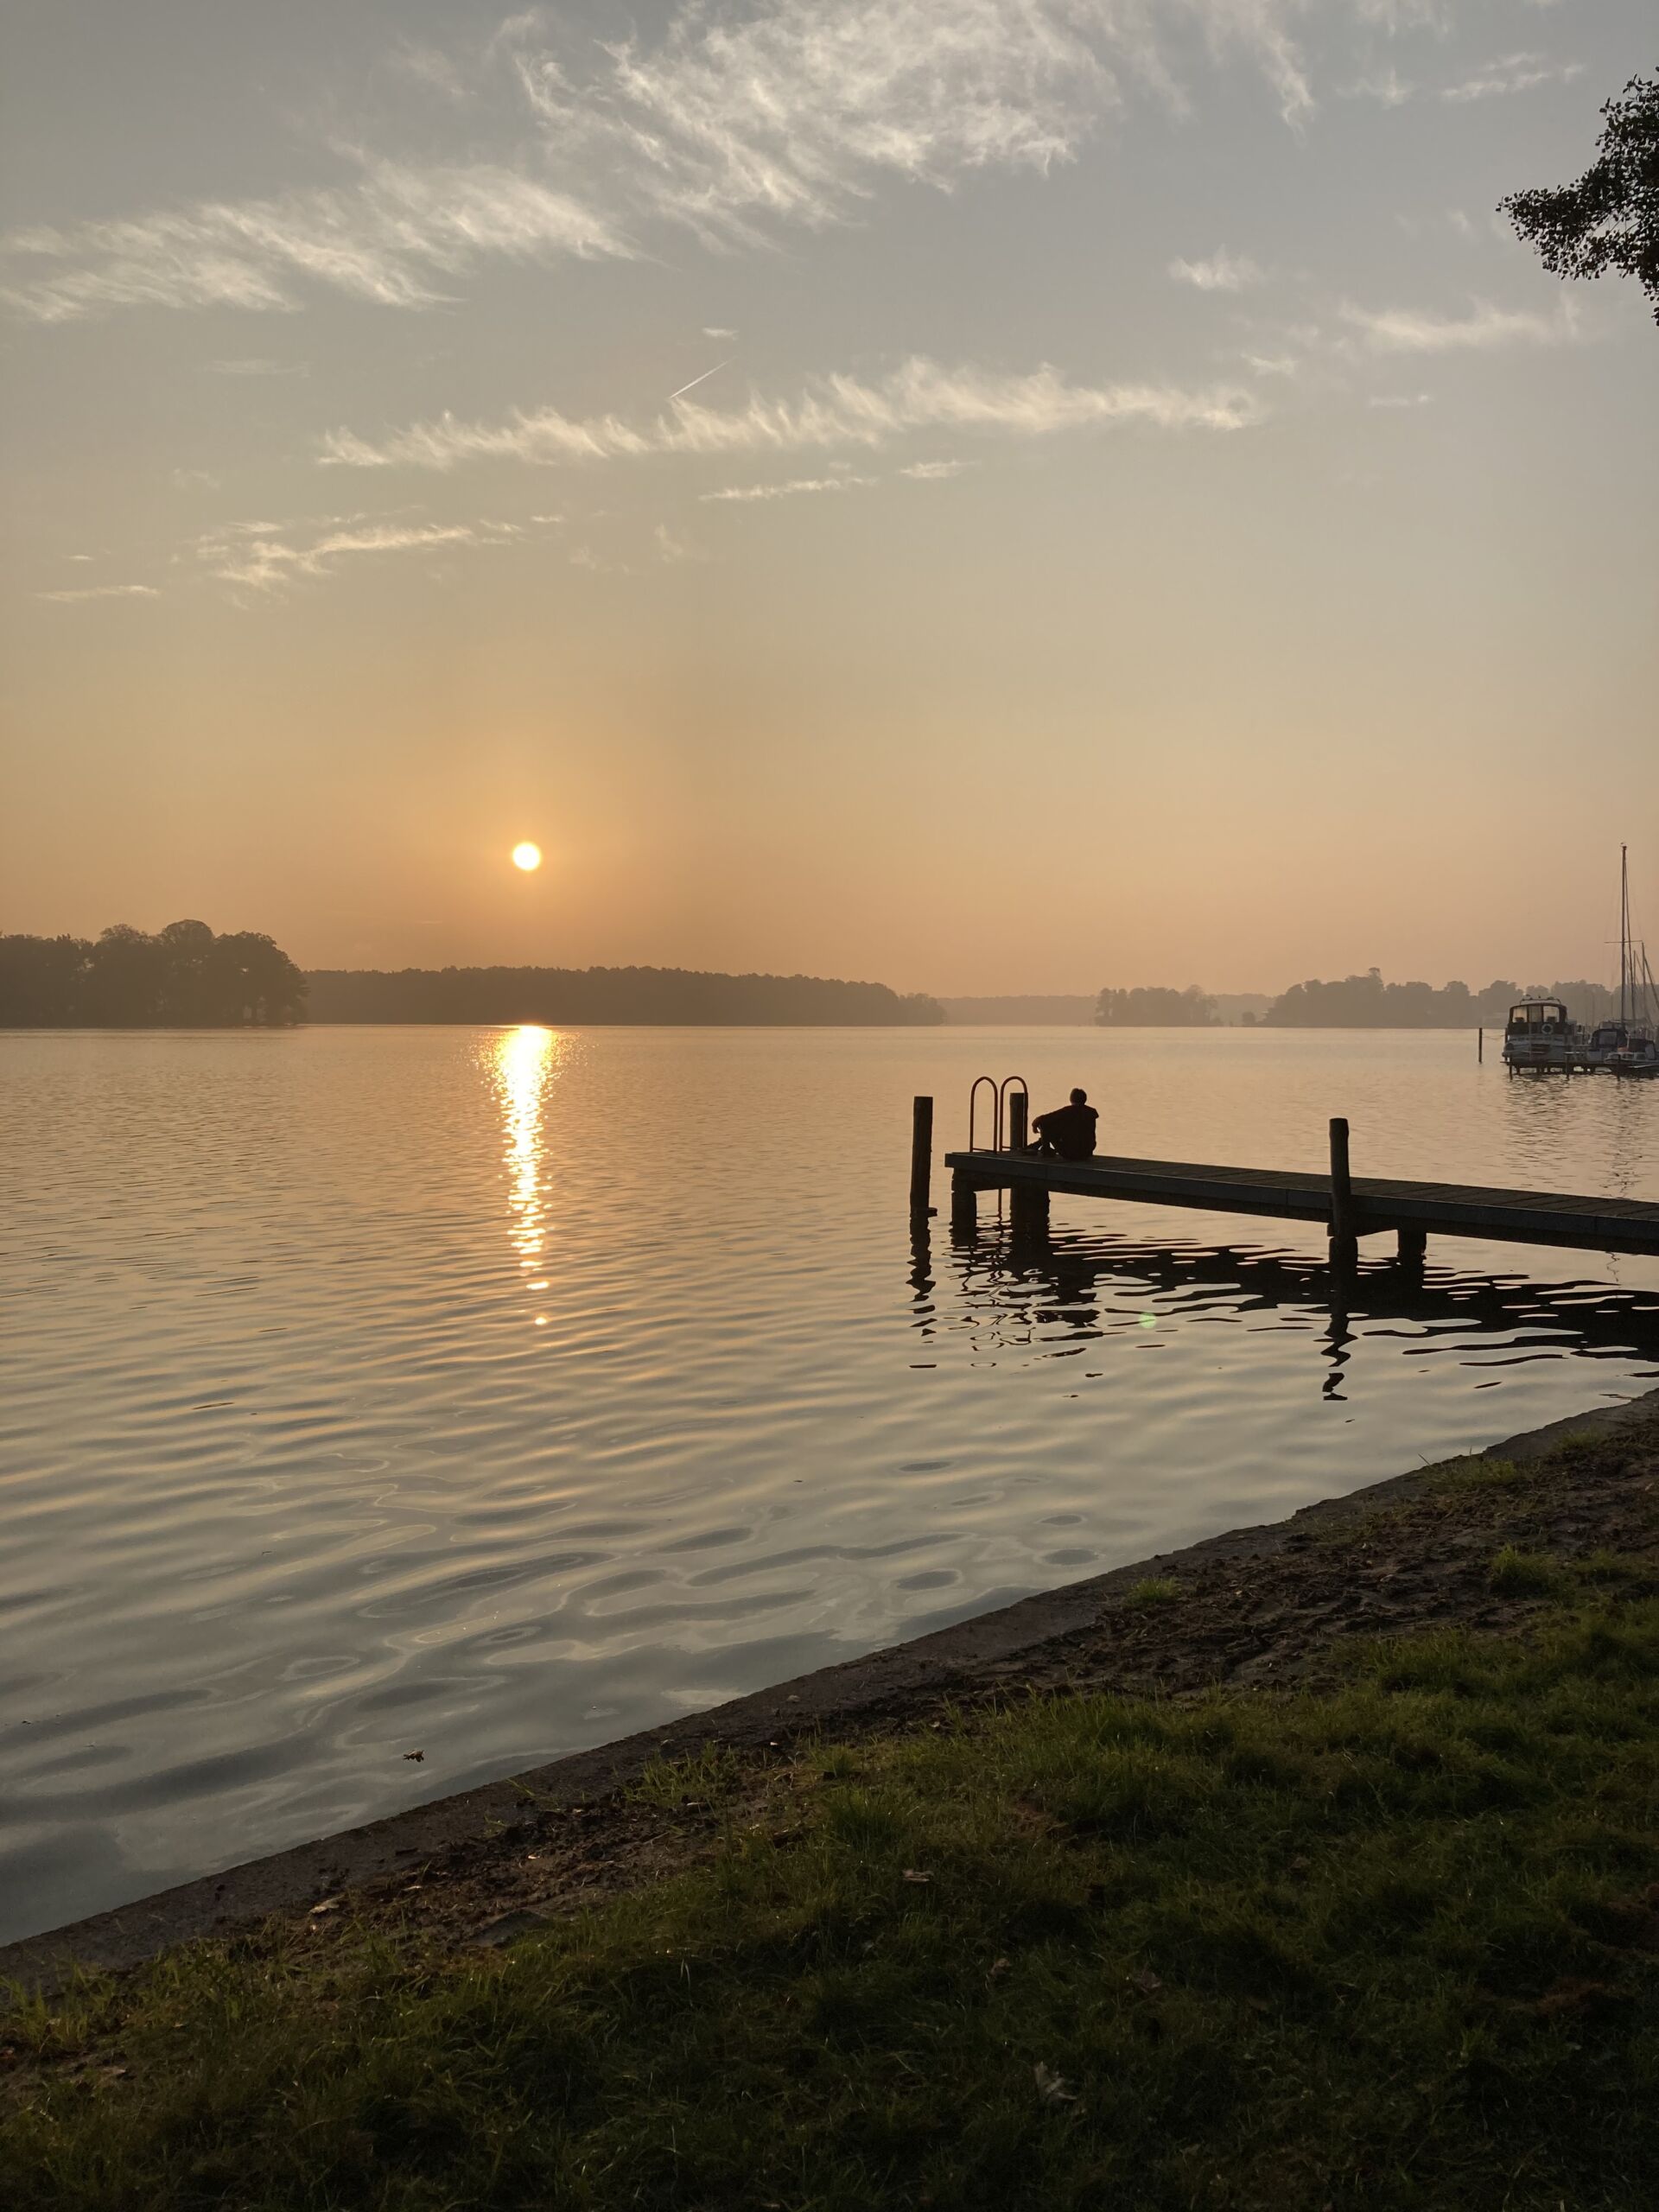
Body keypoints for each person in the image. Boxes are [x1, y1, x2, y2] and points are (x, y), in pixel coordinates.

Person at [1030, 1088, 1098, 1160]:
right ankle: (1036, 1146)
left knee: (1046, 1125)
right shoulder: (1091, 1112)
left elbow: (1043, 1119)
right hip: (1087, 1152)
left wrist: (1034, 1125)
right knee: (1058, 1126)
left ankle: (1046, 1151)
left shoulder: (1067, 1111)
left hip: (1070, 1153)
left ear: (1071, 1099)